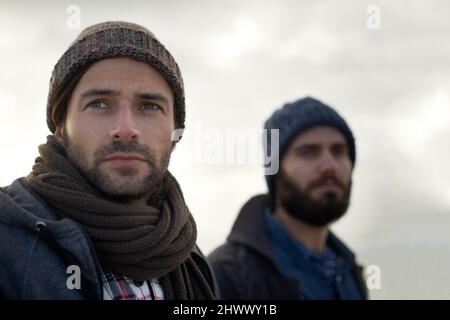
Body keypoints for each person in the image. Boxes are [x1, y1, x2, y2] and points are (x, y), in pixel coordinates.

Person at [0, 21, 216, 300]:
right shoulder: (7, 239)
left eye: (150, 106)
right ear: (60, 126)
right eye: (99, 104)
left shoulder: (186, 253)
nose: (125, 128)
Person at [208, 97, 368, 300]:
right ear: (275, 170)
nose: (329, 165)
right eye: (308, 152)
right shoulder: (227, 277)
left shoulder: (348, 271)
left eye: (339, 151)